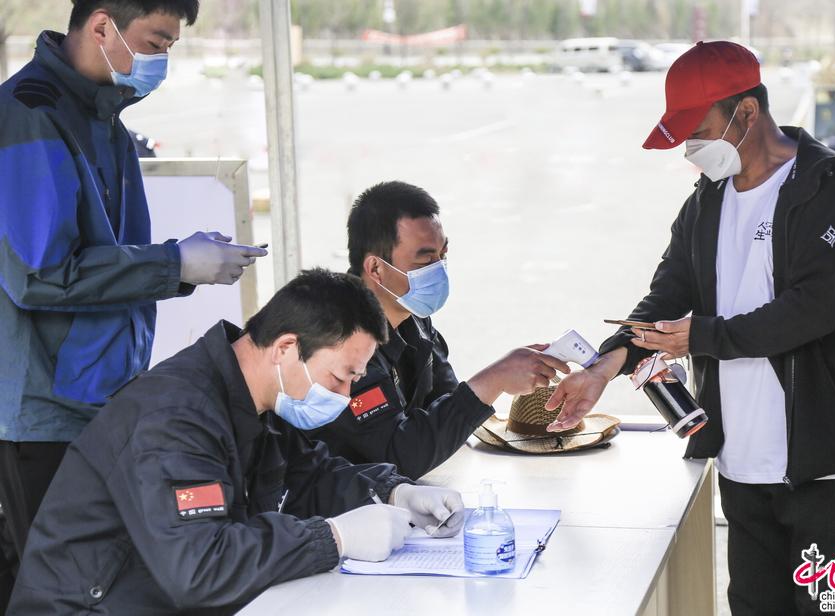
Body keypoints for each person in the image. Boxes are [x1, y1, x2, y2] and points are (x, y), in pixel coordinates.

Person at [546, 41, 835, 615]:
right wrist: (602, 368)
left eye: (699, 130)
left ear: (747, 113)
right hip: (744, 467)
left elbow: (814, 308)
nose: (692, 149)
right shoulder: (707, 200)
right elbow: (665, 297)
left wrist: (701, 336)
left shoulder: (832, 187)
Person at [0, 0, 267, 601]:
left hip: (103, 395)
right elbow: (41, 275)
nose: (162, 59)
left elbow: (106, 259)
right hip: (44, 410)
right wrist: (175, 263)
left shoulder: (105, 121)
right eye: (157, 42)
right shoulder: (30, 117)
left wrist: (181, 265)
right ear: (102, 26)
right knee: (58, 593)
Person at [8, 269, 464, 614]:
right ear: (286, 347)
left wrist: (393, 493)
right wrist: (335, 537)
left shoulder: (259, 398)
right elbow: (200, 565)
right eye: (341, 377)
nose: (346, 397)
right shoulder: (174, 419)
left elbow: (307, 475)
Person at [306, 181, 570, 479]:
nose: (439, 269)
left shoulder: (412, 317)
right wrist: (495, 379)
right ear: (376, 269)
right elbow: (400, 456)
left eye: (443, 255)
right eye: (425, 258)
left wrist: (510, 374)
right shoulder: (339, 339)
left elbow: (443, 408)